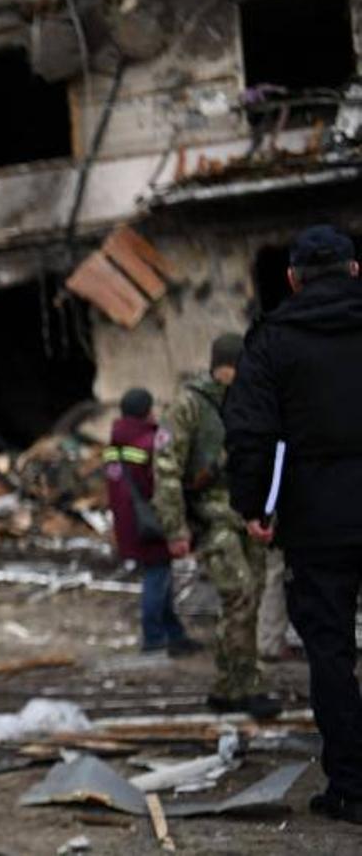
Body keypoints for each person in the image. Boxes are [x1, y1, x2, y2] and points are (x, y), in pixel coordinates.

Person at [224, 223, 362, 825]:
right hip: (322, 519)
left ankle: (352, 788)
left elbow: (252, 433)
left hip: (318, 524)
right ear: (355, 271)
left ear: (292, 280)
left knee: (330, 654)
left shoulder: (273, 342)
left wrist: (255, 507)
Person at [152, 333, 281, 719]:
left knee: (249, 601)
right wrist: (175, 529)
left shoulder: (250, 401)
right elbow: (166, 469)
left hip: (248, 517)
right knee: (239, 596)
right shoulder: (189, 405)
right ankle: (246, 686)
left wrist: (268, 513)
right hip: (212, 520)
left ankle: (229, 686)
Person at [104, 387, 200, 655]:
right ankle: (154, 638)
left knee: (160, 576)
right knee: (157, 577)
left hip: (128, 521)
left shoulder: (114, 443)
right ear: (147, 411)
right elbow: (163, 487)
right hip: (152, 521)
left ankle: (174, 634)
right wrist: (176, 524)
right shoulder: (150, 442)